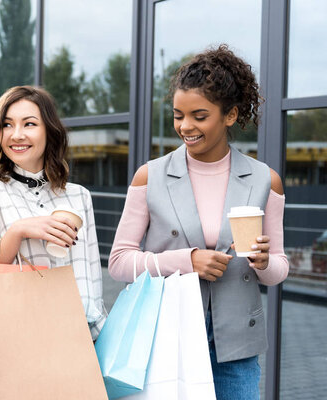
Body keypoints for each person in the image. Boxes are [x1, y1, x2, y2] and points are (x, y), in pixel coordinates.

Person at [108, 44, 289, 400]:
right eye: (178, 115)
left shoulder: (264, 180)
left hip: (236, 347)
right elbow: (118, 262)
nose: (185, 127)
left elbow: (279, 267)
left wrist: (265, 263)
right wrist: (186, 261)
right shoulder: (150, 177)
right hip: (166, 339)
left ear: (231, 115)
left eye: (199, 116)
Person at [0, 85, 107, 339]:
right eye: (7, 125)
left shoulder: (79, 196)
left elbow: (92, 279)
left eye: (29, 124)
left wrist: (96, 333)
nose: (16, 135)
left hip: (78, 336)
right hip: (19, 338)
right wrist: (18, 231)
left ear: (49, 131)